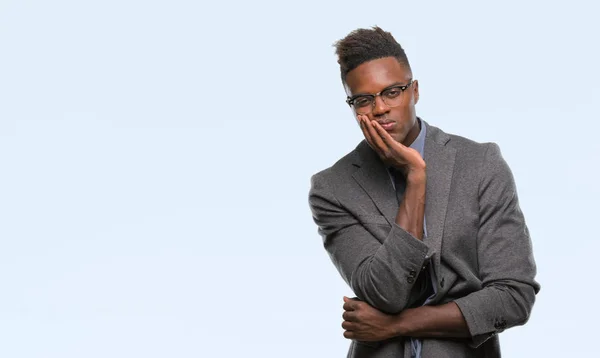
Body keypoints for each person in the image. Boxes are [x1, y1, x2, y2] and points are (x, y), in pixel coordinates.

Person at [308, 26, 540, 358]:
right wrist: (416, 179)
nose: (380, 108)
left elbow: (513, 298)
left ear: (414, 91)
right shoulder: (333, 188)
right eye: (364, 99)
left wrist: (395, 325)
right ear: (352, 106)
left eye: (392, 92)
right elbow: (386, 293)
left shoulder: (480, 164)